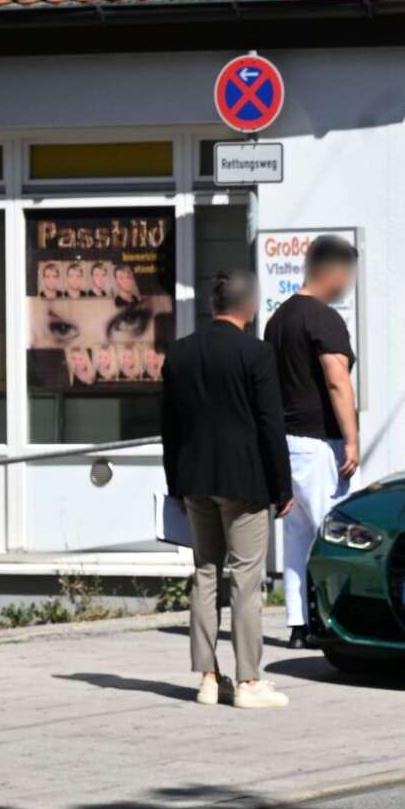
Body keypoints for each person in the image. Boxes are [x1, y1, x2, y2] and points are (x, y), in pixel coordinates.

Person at [161, 271, 292, 709]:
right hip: (246, 482)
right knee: (245, 580)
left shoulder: (180, 354)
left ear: (214, 306)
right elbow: (271, 425)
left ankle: (208, 678)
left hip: (195, 481)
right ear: (249, 307)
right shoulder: (256, 354)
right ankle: (250, 682)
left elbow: (169, 428)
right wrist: (282, 485)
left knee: (204, 574)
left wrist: (175, 483)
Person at [264, 235, 360, 648]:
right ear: (333, 272)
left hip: (285, 442)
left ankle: (298, 624)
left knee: (297, 537)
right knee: (334, 534)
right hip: (319, 444)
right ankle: (332, 619)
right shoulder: (323, 319)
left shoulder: (277, 320)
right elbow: (337, 380)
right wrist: (352, 440)